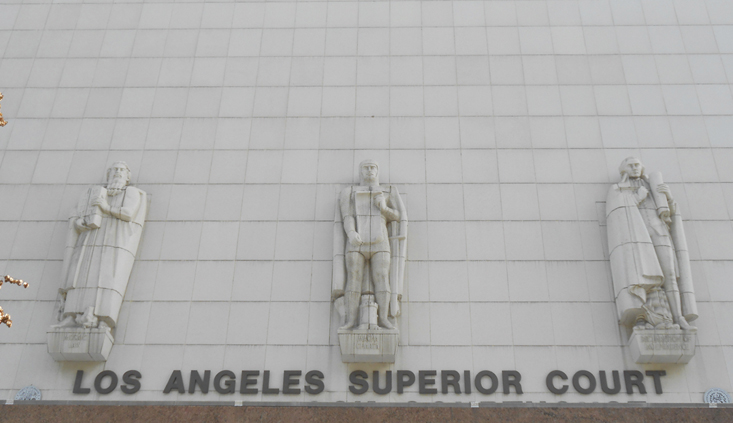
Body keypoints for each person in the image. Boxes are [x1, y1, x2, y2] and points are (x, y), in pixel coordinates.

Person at [53, 162, 147, 330]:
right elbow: (80, 212)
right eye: (114, 170)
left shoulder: (130, 192)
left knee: (107, 278)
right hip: (89, 239)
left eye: (122, 170)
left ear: (128, 177)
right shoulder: (96, 193)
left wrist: (106, 207)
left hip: (114, 241)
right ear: (108, 175)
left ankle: (104, 318)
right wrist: (79, 222)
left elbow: (128, 213)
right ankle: (72, 315)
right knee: (81, 275)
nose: (118, 173)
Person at [606, 157, 696, 331]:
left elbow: (669, 214)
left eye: (637, 165)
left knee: (670, 275)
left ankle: (678, 317)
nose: (635, 168)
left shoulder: (652, 185)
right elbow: (617, 214)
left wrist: (669, 198)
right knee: (644, 276)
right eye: (630, 165)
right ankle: (648, 317)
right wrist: (636, 198)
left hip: (659, 231)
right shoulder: (617, 188)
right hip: (637, 236)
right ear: (624, 169)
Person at [333, 159, 407, 330]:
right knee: (354, 277)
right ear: (361, 171)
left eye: (373, 167)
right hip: (356, 241)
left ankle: (384, 318)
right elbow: (347, 216)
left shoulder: (388, 191)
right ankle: (350, 320)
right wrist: (351, 233)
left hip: (380, 240)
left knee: (382, 276)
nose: (369, 170)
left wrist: (384, 208)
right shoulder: (349, 192)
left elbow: (398, 216)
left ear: (377, 170)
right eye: (366, 167)